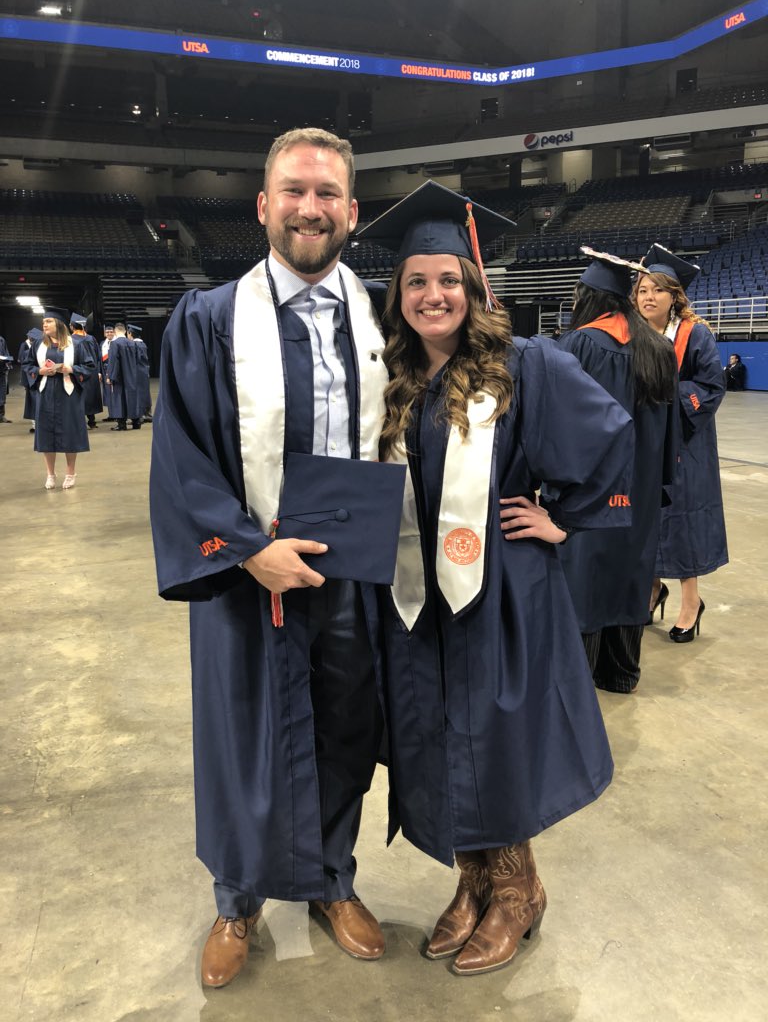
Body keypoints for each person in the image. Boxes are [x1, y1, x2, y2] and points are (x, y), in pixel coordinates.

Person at [357, 181, 634, 976]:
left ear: (472, 286)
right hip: (417, 594)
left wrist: (564, 518)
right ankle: (474, 880)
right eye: (416, 281)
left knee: (497, 736)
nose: (433, 295)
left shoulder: (524, 365)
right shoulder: (393, 380)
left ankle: (518, 889)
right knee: (442, 733)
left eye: (448, 279)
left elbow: (611, 436)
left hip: (501, 589)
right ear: (398, 293)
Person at [149, 128, 392, 990]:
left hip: (349, 572)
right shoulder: (210, 319)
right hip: (246, 576)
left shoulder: (382, 318)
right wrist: (250, 552)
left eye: (327, 194)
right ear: (263, 205)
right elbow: (182, 456)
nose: (309, 208)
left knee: (343, 727)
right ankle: (237, 899)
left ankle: (331, 880)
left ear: (351, 211)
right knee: (242, 735)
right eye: (294, 190)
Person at [550, 248, 678, 693]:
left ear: (588, 298)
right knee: (629, 572)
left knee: (585, 573)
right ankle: (621, 672)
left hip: (588, 489)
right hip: (640, 490)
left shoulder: (579, 345)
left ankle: (579, 678)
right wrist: (655, 482)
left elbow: (559, 428)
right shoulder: (660, 348)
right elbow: (670, 432)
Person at [634, 244, 728, 643]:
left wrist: (665, 391)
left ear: (674, 296)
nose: (648, 297)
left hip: (685, 443)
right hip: (644, 442)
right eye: (642, 290)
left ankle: (691, 601)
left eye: (658, 289)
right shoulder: (632, 334)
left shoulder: (694, 333)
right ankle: (653, 588)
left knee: (682, 518)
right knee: (646, 518)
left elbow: (711, 386)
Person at [23, 307, 95, 489]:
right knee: (46, 435)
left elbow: (89, 366)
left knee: (70, 434)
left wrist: (71, 369)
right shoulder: (38, 344)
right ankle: (50, 474)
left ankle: (70, 473)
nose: (44, 325)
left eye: (48, 321)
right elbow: (27, 364)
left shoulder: (76, 344)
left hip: (68, 394)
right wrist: (40, 371)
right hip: (45, 393)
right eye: (43, 322)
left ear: (59, 324)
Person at [106, 322, 142, 430]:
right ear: (125, 331)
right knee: (132, 397)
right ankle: (136, 422)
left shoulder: (114, 344)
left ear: (115, 331)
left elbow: (113, 361)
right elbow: (138, 359)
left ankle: (122, 424)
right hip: (132, 374)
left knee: (119, 398)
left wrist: (110, 376)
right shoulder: (133, 343)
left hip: (119, 376)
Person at [70, 313, 103, 429]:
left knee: (80, 396)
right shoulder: (91, 338)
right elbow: (98, 355)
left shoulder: (70, 340)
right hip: (92, 371)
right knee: (91, 395)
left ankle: (80, 422)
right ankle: (92, 421)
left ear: (72, 327)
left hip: (78, 371)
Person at [126, 323, 152, 422]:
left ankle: (140, 415)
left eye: (128, 333)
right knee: (145, 392)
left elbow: (134, 359)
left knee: (138, 393)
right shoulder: (142, 344)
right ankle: (147, 413)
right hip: (144, 371)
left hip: (137, 371)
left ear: (130, 333)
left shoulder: (135, 345)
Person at [18, 328, 41, 432]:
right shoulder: (26, 347)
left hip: (35, 379)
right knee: (34, 402)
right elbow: (22, 362)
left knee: (35, 402)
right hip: (32, 379)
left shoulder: (31, 350)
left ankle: (37, 425)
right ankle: (36, 425)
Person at [0, 334, 13, 422]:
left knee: (2, 394)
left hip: (1, 370)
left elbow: (6, 352)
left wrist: (8, 362)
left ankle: (1, 416)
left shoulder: (1, 339)